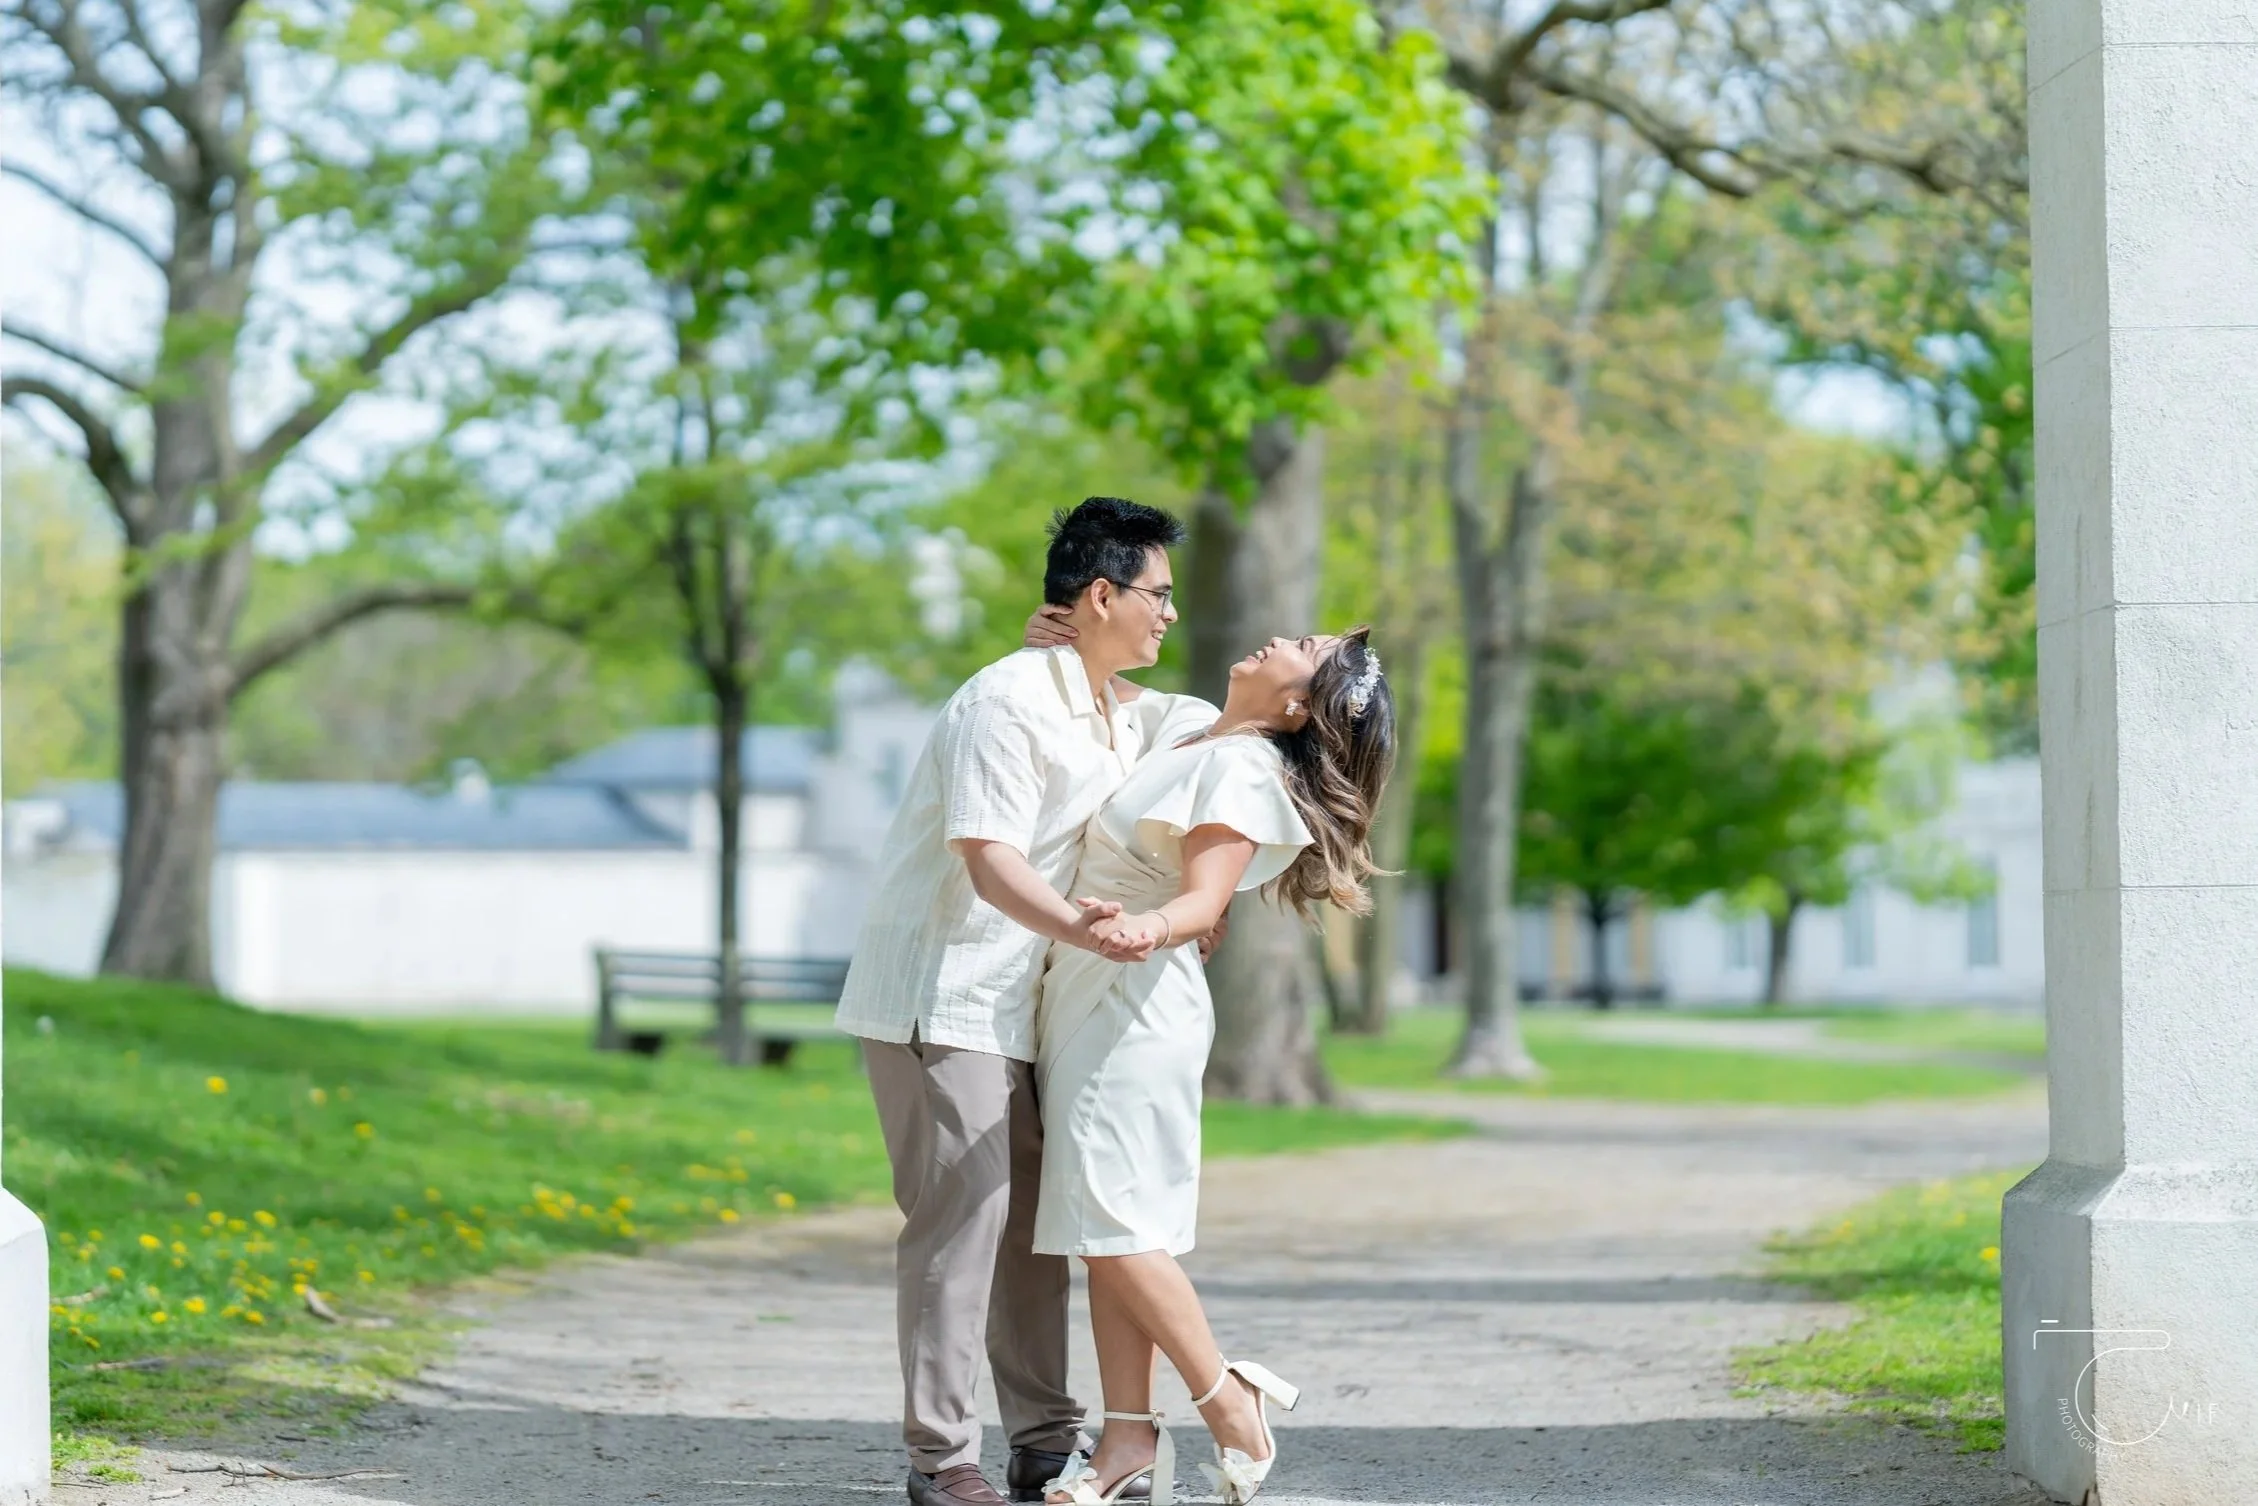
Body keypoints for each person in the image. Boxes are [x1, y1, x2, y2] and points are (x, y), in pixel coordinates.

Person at [834, 496, 1204, 1506]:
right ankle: (940, 1459)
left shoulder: (1109, 708)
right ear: (1100, 594)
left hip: (1026, 1005)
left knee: (1033, 1225)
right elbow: (988, 862)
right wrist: (1089, 930)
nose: (1170, 613)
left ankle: (1045, 1442)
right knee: (964, 1221)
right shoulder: (1005, 700)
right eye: (1157, 594)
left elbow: (1227, 737)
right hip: (943, 992)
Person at [1028, 628, 1395, 1506]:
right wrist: (1068, 638)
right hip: (1091, 989)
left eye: (1302, 645)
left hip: (1133, 999)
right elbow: (1113, 710)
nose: (1278, 634)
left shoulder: (1241, 770)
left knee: (1109, 1219)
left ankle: (1230, 1403)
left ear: (1298, 705)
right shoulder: (1196, 732)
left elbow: (1201, 900)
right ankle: (1125, 1443)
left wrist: (1145, 929)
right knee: (1113, 1230)